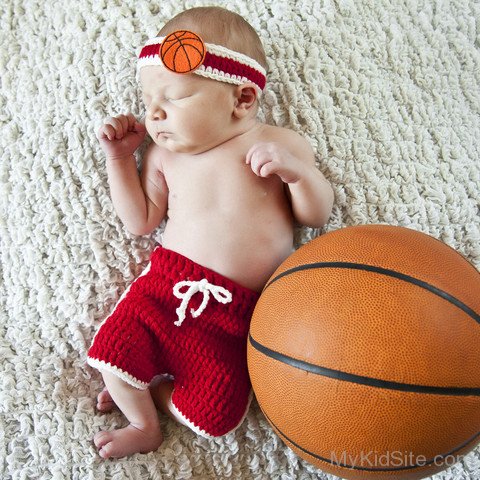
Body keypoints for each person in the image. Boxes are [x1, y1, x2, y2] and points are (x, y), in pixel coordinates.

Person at [87, 6, 334, 459]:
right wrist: (120, 160)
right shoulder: (165, 159)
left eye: (175, 97)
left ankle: (154, 396)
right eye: (148, 102)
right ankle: (142, 423)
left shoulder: (280, 145)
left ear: (241, 99)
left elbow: (316, 215)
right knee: (113, 352)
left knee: (218, 415)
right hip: (166, 291)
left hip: (239, 316)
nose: (155, 114)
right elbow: (139, 221)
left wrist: (298, 175)